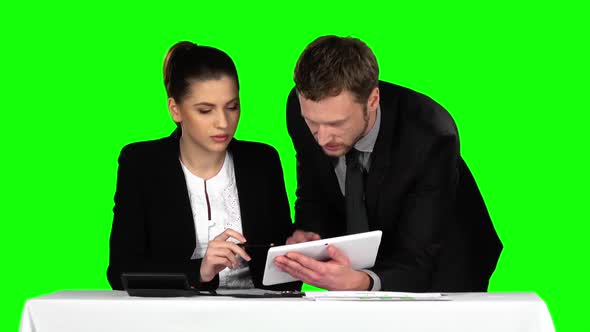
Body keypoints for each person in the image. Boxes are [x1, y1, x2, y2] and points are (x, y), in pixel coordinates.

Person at [275, 35, 503, 292]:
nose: (322, 137)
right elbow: (315, 189)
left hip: (445, 258)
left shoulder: (431, 135)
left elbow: (419, 256)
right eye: (313, 123)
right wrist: (308, 235)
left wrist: (361, 281)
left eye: (337, 124)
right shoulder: (299, 109)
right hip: (367, 251)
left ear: (372, 101)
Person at [107, 41, 298, 291]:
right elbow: (121, 271)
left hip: (259, 317)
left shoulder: (262, 161)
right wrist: (200, 270)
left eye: (232, 107)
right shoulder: (142, 163)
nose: (223, 122)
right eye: (206, 110)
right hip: (172, 319)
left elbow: (285, 272)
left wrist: (299, 249)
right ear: (175, 109)